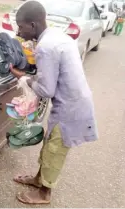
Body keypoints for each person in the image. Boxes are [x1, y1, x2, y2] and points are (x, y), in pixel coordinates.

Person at [9, 1, 98, 204]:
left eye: (21, 26)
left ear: (33, 25)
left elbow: (46, 90)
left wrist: (22, 76)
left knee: (54, 150)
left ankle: (44, 194)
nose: (18, 31)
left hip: (71, 108)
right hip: (72, 101)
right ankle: (38, 179)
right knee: (50, 144)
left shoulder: (46, 47)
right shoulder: (57, 35)